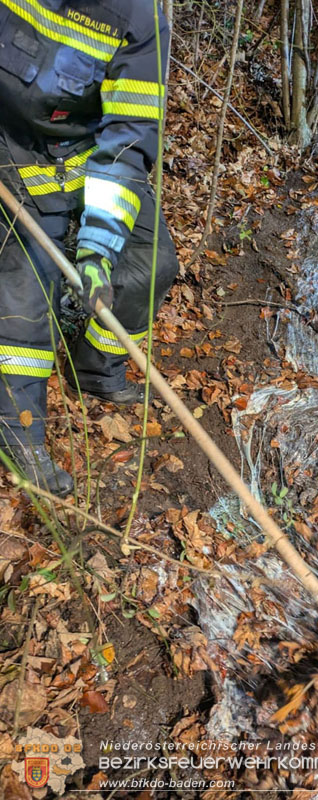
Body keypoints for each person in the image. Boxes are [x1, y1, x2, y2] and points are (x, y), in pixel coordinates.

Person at [0, 0, 179, 497]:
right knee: (26, 296)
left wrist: (98, 250)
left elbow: (127, 140)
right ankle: (19, 433)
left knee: (151, 263)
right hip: (14, 152)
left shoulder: (141, 19)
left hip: (92, 154)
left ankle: (95, 368)